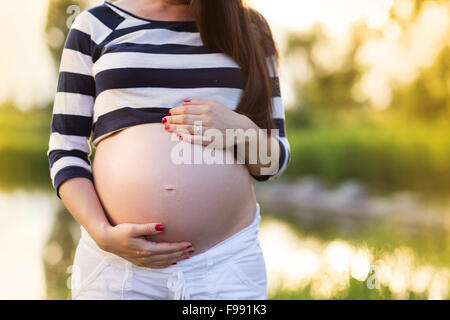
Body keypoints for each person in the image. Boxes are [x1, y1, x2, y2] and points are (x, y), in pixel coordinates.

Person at [47, 0, 290, 300]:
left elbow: (272, 161)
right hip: (118, 269)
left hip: (225, 267)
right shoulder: (95, 26)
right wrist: (103, 235)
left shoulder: (249, 29)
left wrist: (236, 129)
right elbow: (65, 149)